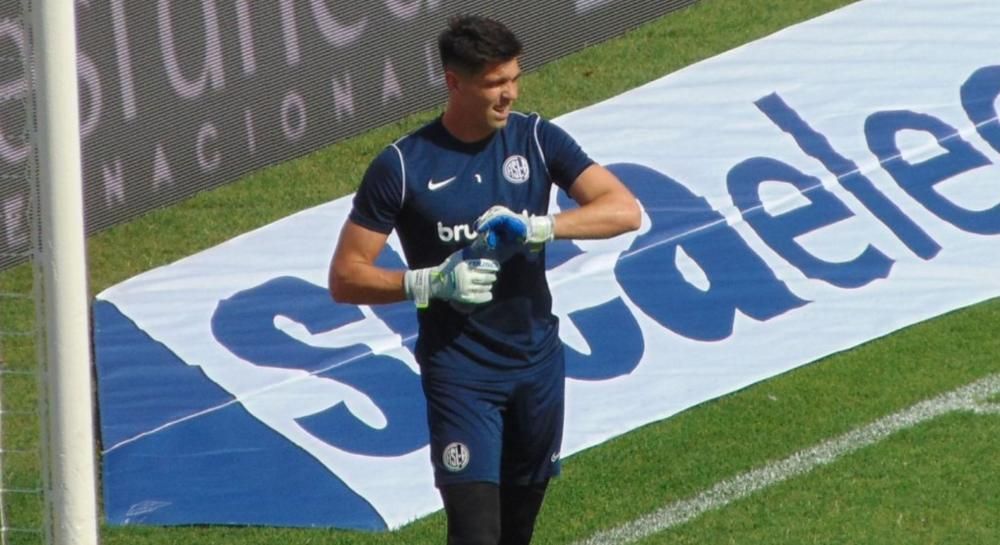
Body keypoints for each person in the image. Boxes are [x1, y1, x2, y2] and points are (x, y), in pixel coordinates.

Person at [329, 14, 641, 545]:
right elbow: (345, 276)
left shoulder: (536, 139)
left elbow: (624, 209)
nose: (510, 94)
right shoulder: (402, 166)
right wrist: (429, 282)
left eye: (515, 78)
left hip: (536, 365)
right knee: (475, 533)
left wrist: (541, 226)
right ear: (454, 82)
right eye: (495, 83)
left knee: (516, 531)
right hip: (461, 374)